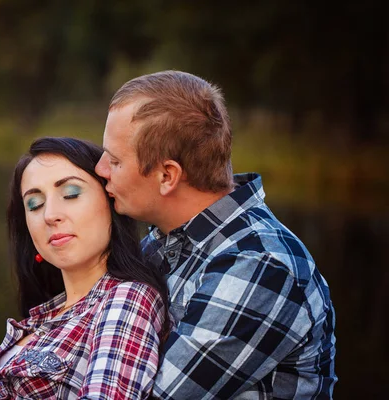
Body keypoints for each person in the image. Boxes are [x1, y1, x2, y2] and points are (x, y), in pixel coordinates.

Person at [94, 70, 337, 399]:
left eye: (115, 160)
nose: (100, 169)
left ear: (168, 175)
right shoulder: (165, 239)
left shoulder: (260, 266)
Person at [0, 137, 170, 400]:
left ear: (111, 202)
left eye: (71, 194)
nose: (50, 215)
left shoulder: (128, 298)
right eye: (34, 204)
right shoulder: (49, 313)